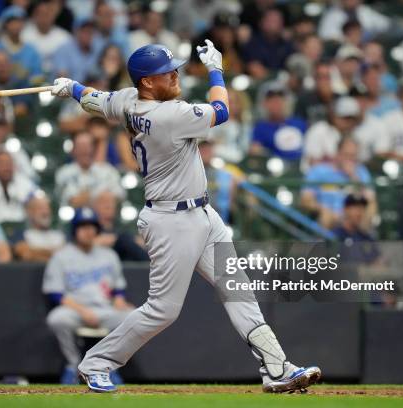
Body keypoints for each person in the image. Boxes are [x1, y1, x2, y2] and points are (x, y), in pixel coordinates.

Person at [50, 41, 321, 392]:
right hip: (171, 221)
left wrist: (71, 87)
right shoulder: (168, 115)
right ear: (147, 82)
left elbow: (94, 98)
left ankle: (276, 369)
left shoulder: (126, 100)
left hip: (203, 215)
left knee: (238, 291)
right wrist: (215, 70)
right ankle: (96, 363)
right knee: (163, 309)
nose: (176, 75)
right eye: (167, 72)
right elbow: (222, 111)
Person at [43, 207, 133, 384]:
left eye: (91, 226)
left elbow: (118, 290)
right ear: (75, 230)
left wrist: (120, 302)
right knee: (56, 319)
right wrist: (83, 311)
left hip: (104, 309)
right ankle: (74, 364)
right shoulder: (61, 257)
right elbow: (55, 294)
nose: (88, 230)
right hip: (75, 310)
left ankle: (108, 366)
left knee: (134, 318)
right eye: (83, 226)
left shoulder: (109, 255)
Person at [300, 138, 376, 229]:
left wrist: (353, 177)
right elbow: (305, 199)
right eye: (347, 155)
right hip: (329, 216)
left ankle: (365, 240)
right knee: (326, 217)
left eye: (353, 156)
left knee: (370, 208)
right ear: (338, 154)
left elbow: (370, 199)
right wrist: (323, 209)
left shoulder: (361, 171)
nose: (350, 159)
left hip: (354, 218)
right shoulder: (319, 171)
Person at [54, 130, 124, 207]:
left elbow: (119, 196)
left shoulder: (108, 171)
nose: (85, 150)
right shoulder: (64, 173)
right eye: (81, 146)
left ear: (93, 148)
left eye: (87, 146)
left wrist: (85, 197)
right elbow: (71, 201)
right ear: (73, 150)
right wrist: (100, 196)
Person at [250, 82, 307, 162]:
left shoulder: (299, 123)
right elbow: (254, 150)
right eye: (272, 101)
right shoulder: (260, 128)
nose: (276, 104)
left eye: (279, 100)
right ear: (264, 104)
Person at [0, 5, 44, 86]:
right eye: (11, 22)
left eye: (19, 21)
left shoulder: (31, 50)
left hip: (26, 96)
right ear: (5, 24)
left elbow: (37, 78)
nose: (15, 25)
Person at [92, 190, 148, 261]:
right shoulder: (89, 227)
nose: (108, 205)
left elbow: (140, 243)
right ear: (94, 206)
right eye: (103, 202)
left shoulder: (124, 226)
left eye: (111, 202)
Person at [241, 8, 294, 79]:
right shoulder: (253, 44)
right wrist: (282, 76)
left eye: (278, 21)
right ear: (261, 23)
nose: (274, 24)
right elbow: (255, 70)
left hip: (285, 86)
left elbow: (295, 71)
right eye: (271, 20)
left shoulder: (287, 44)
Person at [21, 0, 71, 74]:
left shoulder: (64, 37)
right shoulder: (24, 35)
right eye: (41, 14)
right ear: (34, 16)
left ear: (53, 16)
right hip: (31, 78)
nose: (44, 18)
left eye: (47, 14)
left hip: (56, 79)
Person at [12, 194, 65, 261]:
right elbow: (25, 254)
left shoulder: (59, 235)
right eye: (40, 208)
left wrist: (34, 251)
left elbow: (68, 255)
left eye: (47, 208)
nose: (45, 212)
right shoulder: (22, 234)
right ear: (30, 212)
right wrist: (54, 252)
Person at [318, 0, 390, 42]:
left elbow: (385, 24)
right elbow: (326, 36)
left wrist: (370, 34)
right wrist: (348, 39)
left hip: (366, 47)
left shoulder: (364, 10)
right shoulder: (333, 14)